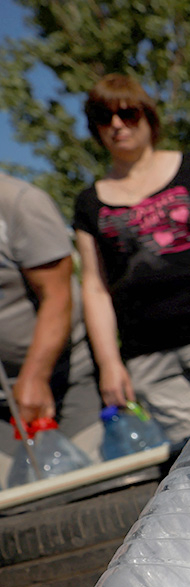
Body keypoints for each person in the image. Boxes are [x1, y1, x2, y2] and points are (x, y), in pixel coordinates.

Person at [74, 74, 190, 445]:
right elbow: (95, 288)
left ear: (148, 117)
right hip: (149, 358)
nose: (117, 125)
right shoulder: (89, 202)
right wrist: (109, 365)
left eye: (128, 113)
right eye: (104, 117)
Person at [0, 174, 101, 480]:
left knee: (88, 492)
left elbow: (57, 296)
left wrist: (35, 376)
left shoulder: (19, 203)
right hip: (3, 400)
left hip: (63, 380)